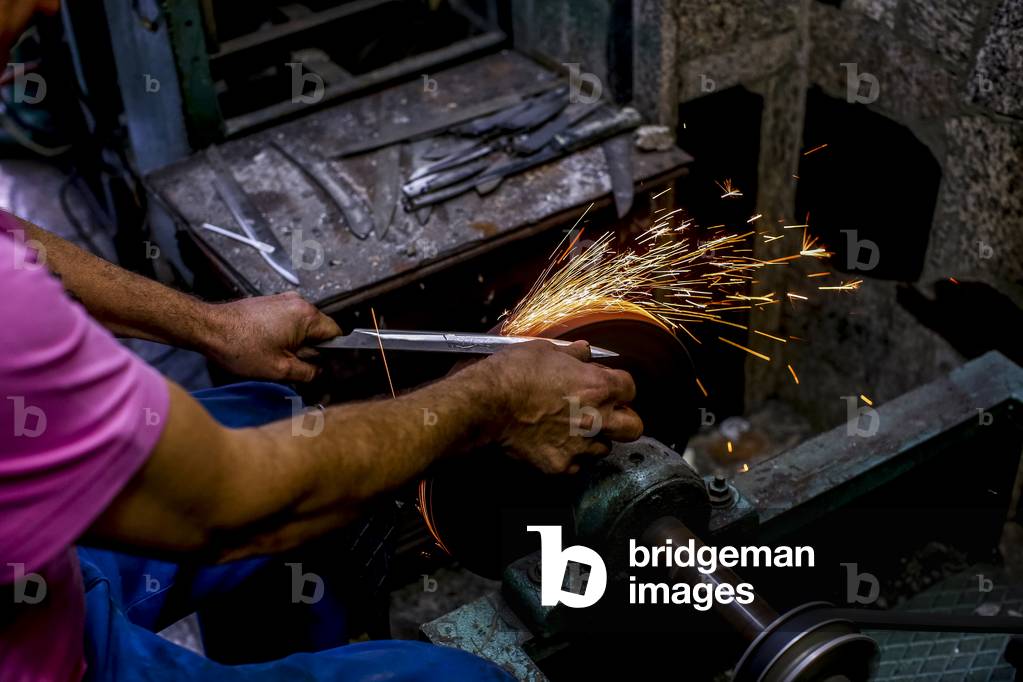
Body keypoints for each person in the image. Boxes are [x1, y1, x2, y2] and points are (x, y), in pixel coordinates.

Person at [0, 4, 644, 680]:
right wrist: (492, 402)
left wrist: (211, 325)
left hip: (39, 574)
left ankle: (280, 654)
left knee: (278, 424)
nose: (48, 5)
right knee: (461, 678)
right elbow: (228, 508)